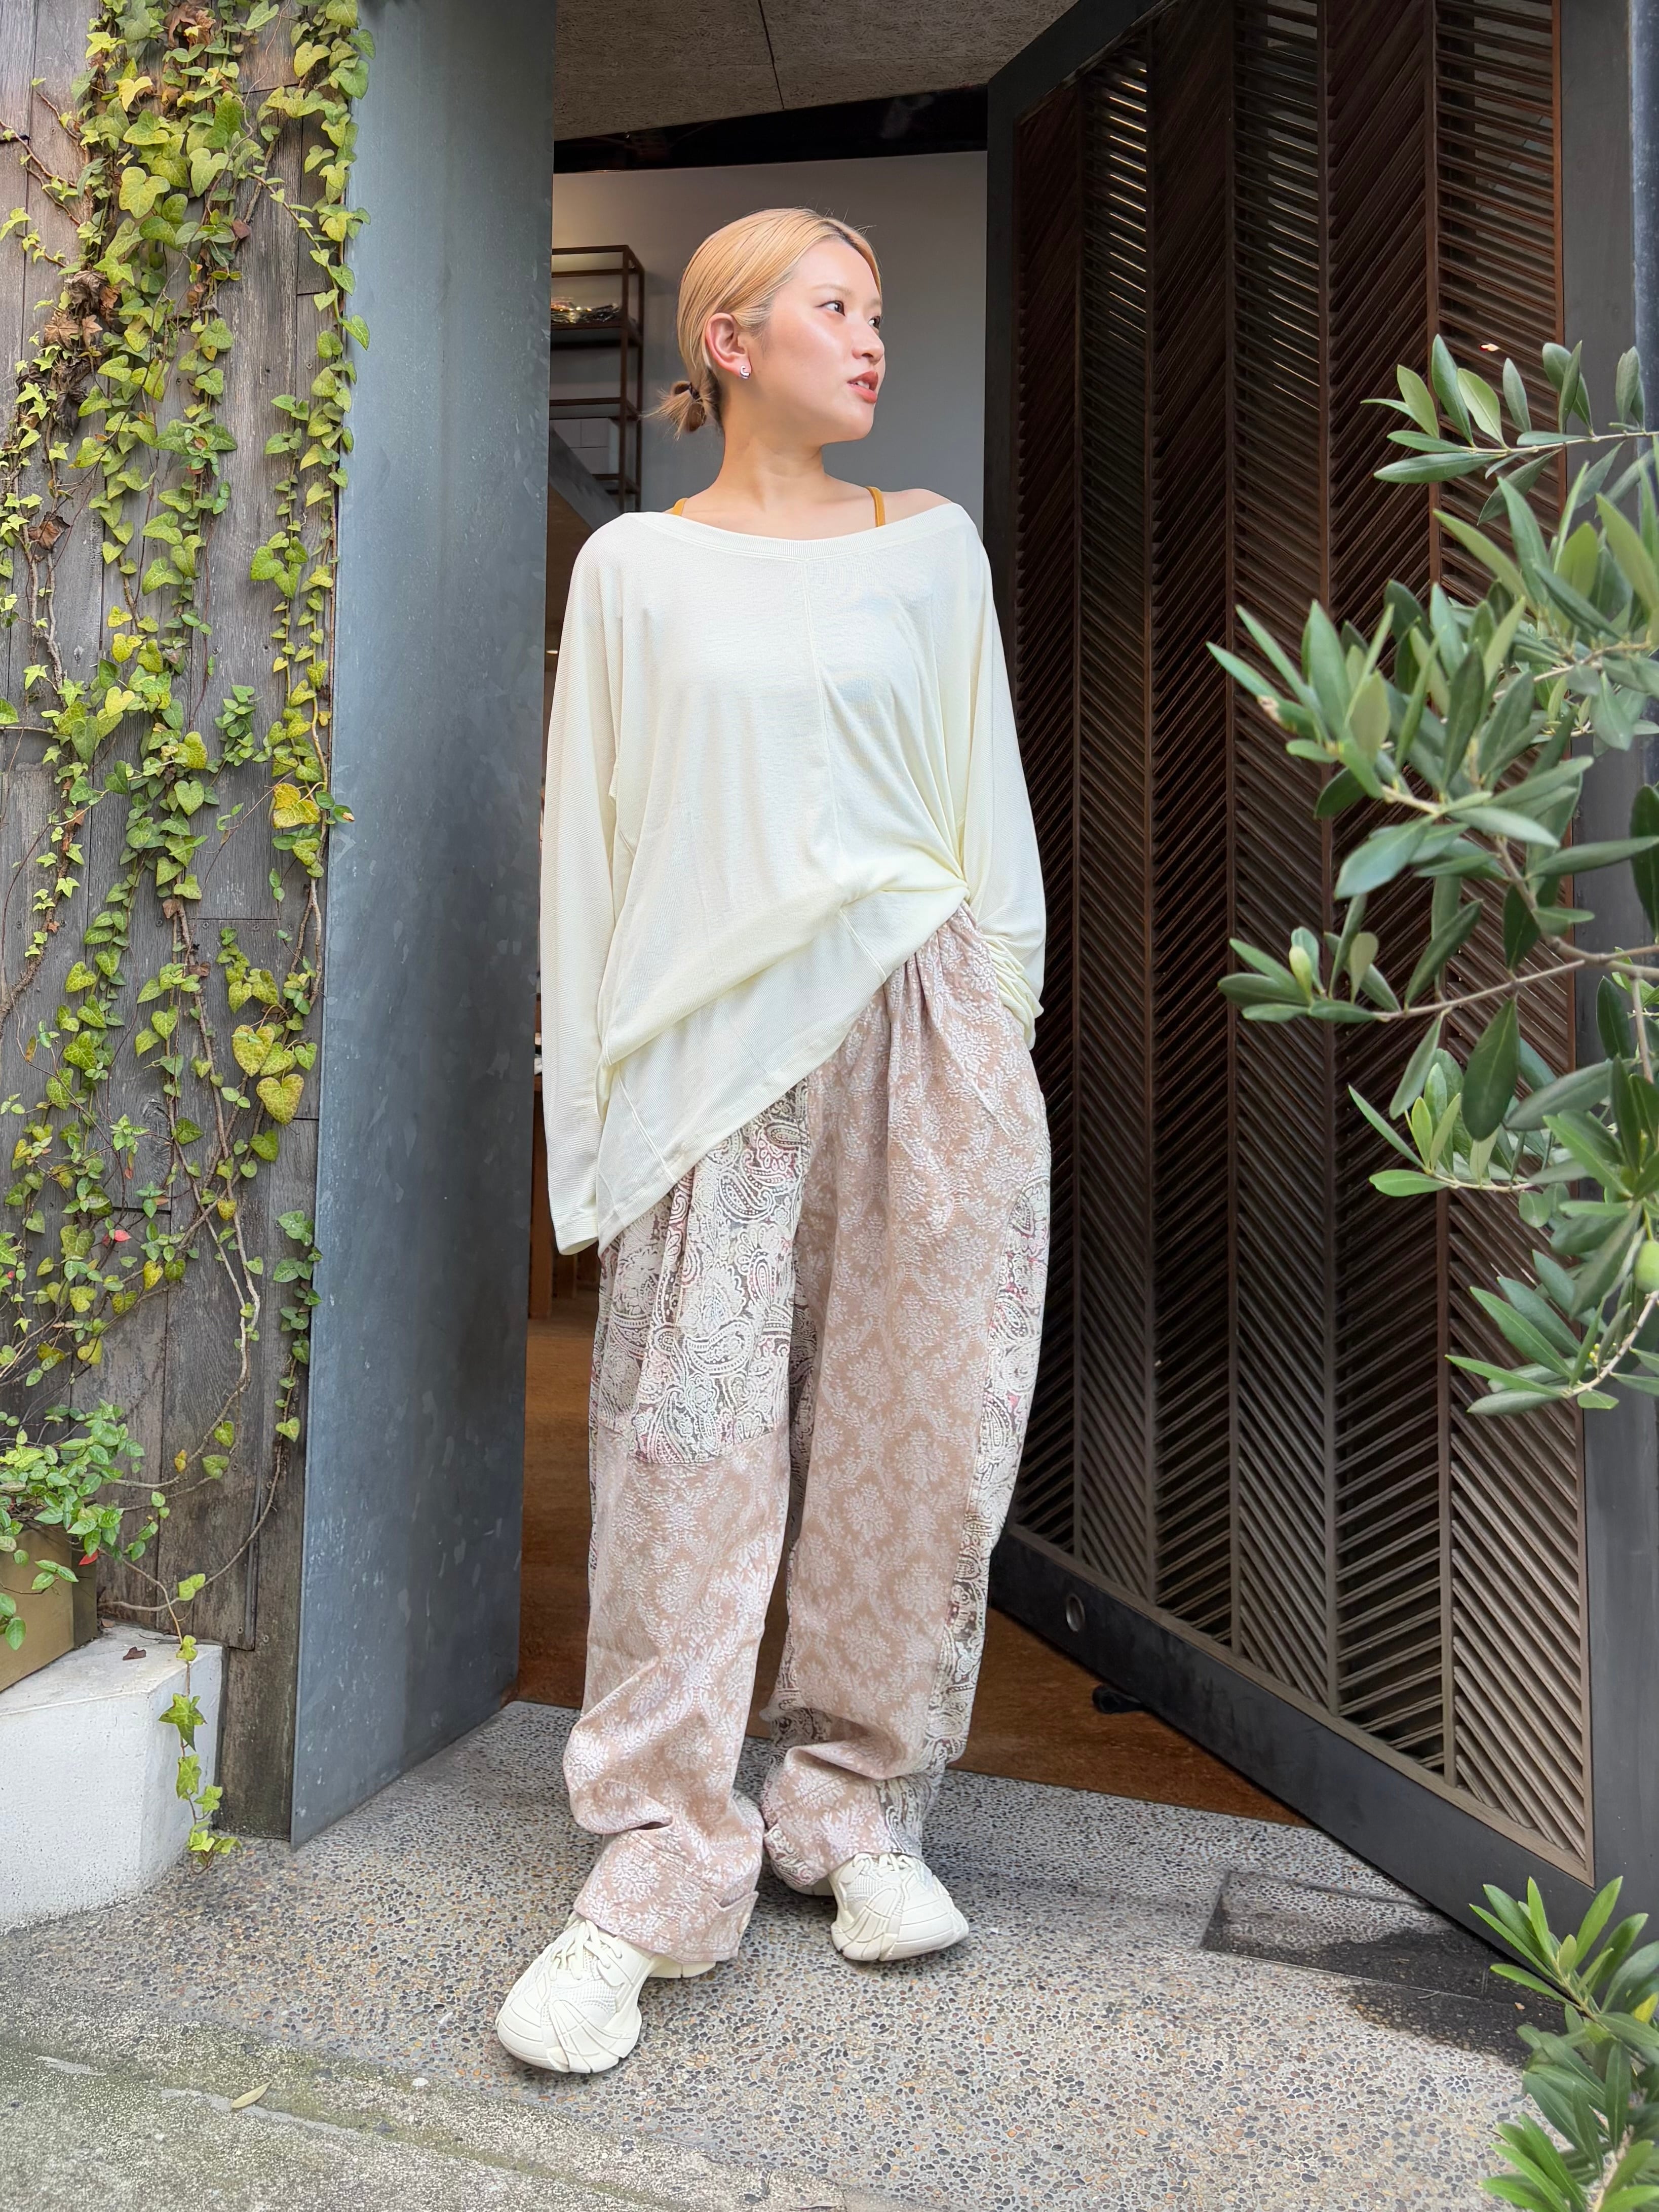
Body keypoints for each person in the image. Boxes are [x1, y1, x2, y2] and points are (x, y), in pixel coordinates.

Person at [500, 207, 1049, 2074]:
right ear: (729, 340)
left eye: (879, 310)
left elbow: (987, 806)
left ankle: (850, 1812)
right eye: (835, 305)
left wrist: (997, 1038)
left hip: (916, 1021)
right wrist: (592, 1117)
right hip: (710, 1058)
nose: (871, 337)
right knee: (687, 1456)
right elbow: (587, 844)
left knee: (914, 1436)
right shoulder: (636, 570)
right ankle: (661, 1862)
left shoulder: (932, 548)